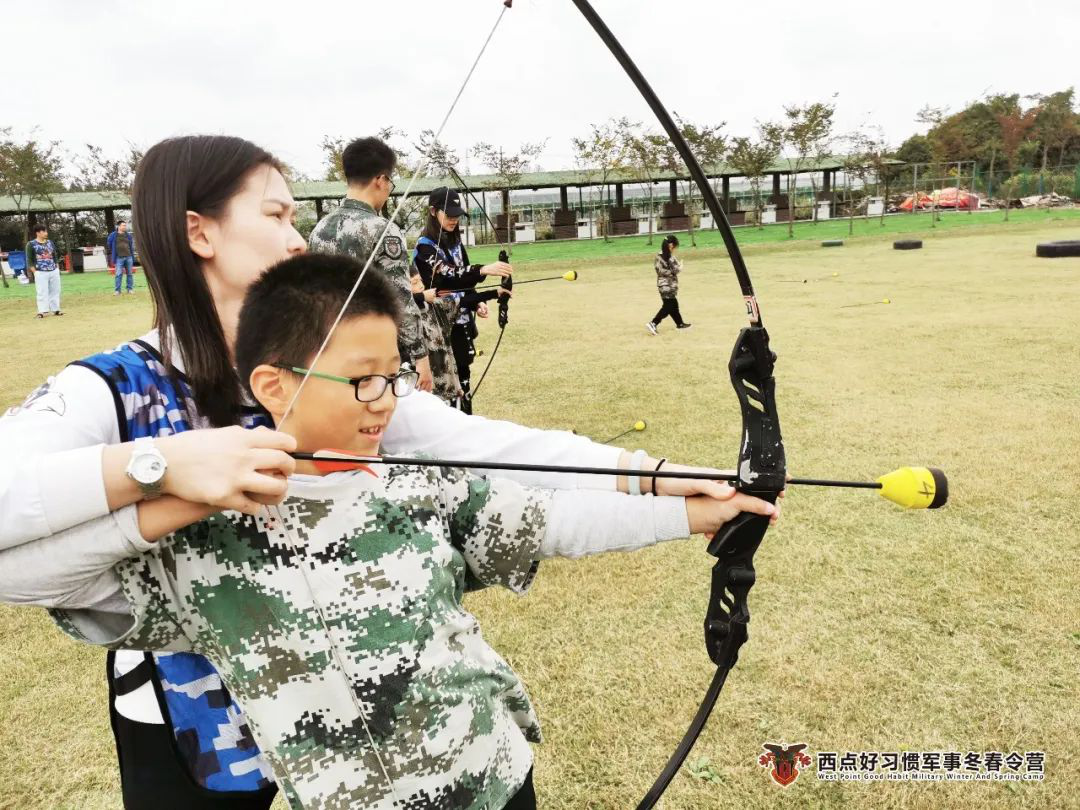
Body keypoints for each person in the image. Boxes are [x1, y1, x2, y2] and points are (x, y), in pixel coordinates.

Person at [0, 134, 777, 810]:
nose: (298, 235)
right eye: (274, 214)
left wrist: (656, 478)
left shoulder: (339, 371)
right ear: (198, 232)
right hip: (194, 717)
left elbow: (493, 451)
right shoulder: (110, 385)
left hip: (344, 734)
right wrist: (160, 467)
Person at [308, 136, 433, 393]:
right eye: (390, 182)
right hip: (372, 356)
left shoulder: (319, 229)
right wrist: (421, 357)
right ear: (381, 179)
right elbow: (401, 299)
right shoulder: (383, 231)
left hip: (326, 351)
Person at [413, 187, 511, 411]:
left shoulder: (455, 242)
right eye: (449, 214)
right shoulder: (424, 247)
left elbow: (465, 283)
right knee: (447, 388)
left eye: (457, 214)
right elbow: (447, 277)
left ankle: (467, 419)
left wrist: (476, 301)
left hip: (463, 321)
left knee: (465, 381)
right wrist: (484, 269)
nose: (454, 219)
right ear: (432, 211)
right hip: (442, 330)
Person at [646, 235, 691, 335]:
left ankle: (680, 324)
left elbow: (659, 270)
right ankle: (653, 323)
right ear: (671, 245)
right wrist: (681, 266)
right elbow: (676, 270)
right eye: (674, 246)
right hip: (669, 286)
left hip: (662, 285)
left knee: (673, 305)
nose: (674, 249)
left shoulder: (658, 256)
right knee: (668, 307)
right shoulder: (670, 257)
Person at [25, 225, 62, 318]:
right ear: (38, 233)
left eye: (46, 231)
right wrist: (35, 272)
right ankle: (42, 311)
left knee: (55, 291)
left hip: (53, 270)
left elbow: (54, 256)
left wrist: (57, 267)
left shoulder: (50, 242)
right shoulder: (31, 244)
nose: (46, 233)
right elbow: (29, 260)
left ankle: (56, 309)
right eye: (44, 231)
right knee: (42, 292)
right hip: (40, 272)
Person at [108, 220, 137, 295]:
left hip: (129, 257)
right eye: (123, 225)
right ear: (118, 226)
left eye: (125, 225)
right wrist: (115, 251)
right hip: (119, 258)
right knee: (118, 274)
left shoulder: (128, 235)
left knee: (130, 274)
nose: (125, 227)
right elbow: (109, 244)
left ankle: (129, 289)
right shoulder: (113, 235)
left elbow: (131, 246)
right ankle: (117, 291)